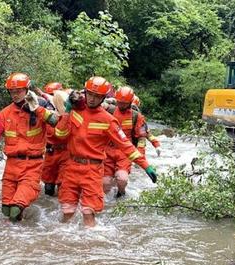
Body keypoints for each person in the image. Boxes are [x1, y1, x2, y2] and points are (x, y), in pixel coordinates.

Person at [54, 76, 158, 227]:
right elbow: (60, 134)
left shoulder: (108, 120)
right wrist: (67, 112)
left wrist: (146, 166)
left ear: (103, 98)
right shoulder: (75, 111)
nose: (92, 99)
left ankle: (90, 247)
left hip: (92, 170)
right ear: (85, 93)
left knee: (88, 213)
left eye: (97, 96)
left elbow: (126, 145)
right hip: (71, 167)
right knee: (67, 212)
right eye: (90, 94)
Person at [0, 72, 58, 222]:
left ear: (27, 89)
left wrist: (36, 108)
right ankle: (13, 233)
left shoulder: (40, 107)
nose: (15, 95)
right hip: (11, 166)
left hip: (32, 165)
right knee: (6, 210)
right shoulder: (5, 114)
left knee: (16, 207)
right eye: (12, 92)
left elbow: (55, 121)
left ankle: (18, 231)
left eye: (18, 91)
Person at [102, 86, 147, 197]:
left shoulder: (136, 116)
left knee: (122, 179)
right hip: (107, 152)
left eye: (124, 103)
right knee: (105, 184)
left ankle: (121, 194)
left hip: (125, 153)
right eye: (119, 102)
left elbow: (142, 137)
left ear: (130, 102)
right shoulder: (109, 110)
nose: (121, 105)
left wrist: (140, 156)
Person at [40, 82, 69, 196]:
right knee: (48, 185)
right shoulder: (46, 111)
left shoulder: (69, 110)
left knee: (63, 184)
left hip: (65, 152)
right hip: (50, 153)